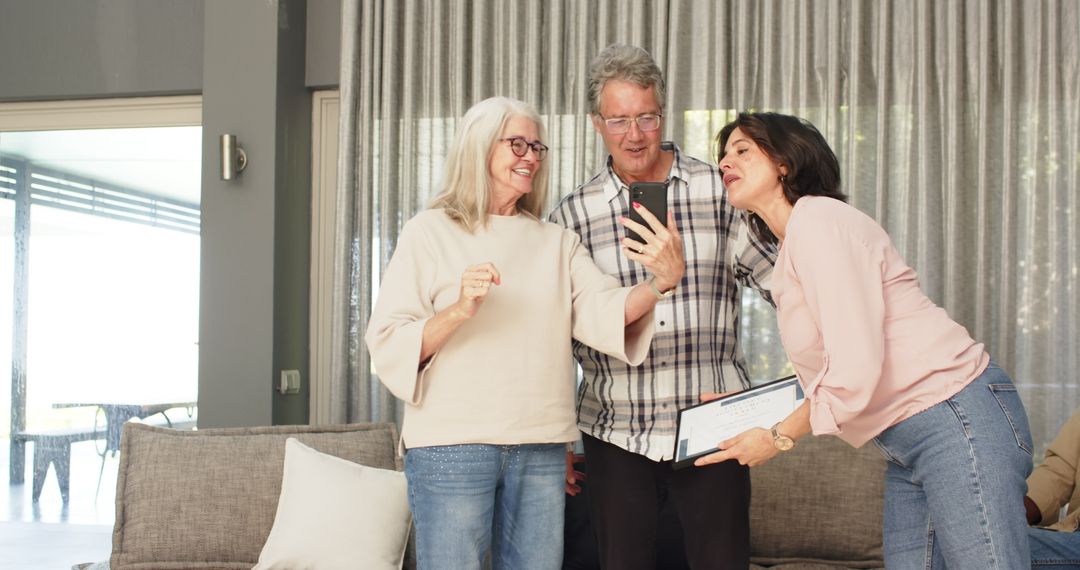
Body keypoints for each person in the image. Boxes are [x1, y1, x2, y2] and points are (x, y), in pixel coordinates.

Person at [696, 111, 1034, 568]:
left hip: (954, 417)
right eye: (723, 154)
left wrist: (776, 438)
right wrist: (747, 410)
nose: (724, 162)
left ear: (784, 163)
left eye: (742, 150)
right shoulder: (794, 244)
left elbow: (854, 367)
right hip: (906, 439)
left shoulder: (818, 222)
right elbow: (834, 368)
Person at [364, 96, 685, 570]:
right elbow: (389, 340)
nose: (531, 156)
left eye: (536, 147)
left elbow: (604, 310)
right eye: (517, 144)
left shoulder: (557, 242)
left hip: (540, 446)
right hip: (452, 445)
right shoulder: (427, 232)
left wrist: (660, 284)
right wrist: (459, 309)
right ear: (479, 147)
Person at [548, 45, 775, 569]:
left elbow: (781, 283)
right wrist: (556, 440)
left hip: (712, 427)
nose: (634, 134)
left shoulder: (719, 190)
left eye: (646, 117)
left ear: (663, 114)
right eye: (619, 120)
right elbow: (555, 337)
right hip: (614, 430)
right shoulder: (571, 215)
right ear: (596, 123)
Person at [1027, 406, 1080, 567]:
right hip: (1071, 536)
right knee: (985, 541)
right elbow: (1059, 470)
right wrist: (1014, 513)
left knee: (995, 549)